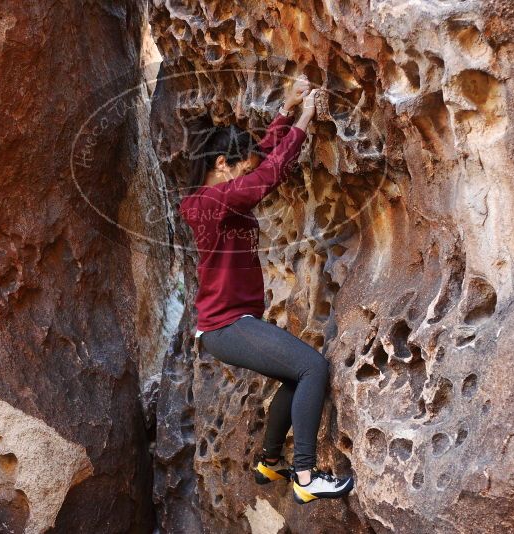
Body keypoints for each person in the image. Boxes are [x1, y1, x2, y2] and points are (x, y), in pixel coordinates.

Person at [178, 75, 354, 504]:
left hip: (234, 323)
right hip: (226, 326)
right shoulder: (208, 203)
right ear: (221, 164)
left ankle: (269, 462)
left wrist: (287, 108)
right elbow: (267, 175)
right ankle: (307, 478)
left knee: (296, 378)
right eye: (237, 166)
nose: (245, 170)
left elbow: (257, 162)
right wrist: (306, 120)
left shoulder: (216, 195)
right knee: (313, 368)